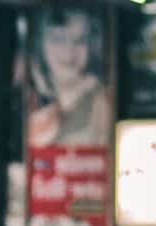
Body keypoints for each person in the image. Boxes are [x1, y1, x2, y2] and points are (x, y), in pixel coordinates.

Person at [28, 10, 110, 147]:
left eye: (80, 40)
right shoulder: (29, 94)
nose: (69, 51)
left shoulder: (102, 100)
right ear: (40, 43)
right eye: (58, 39)